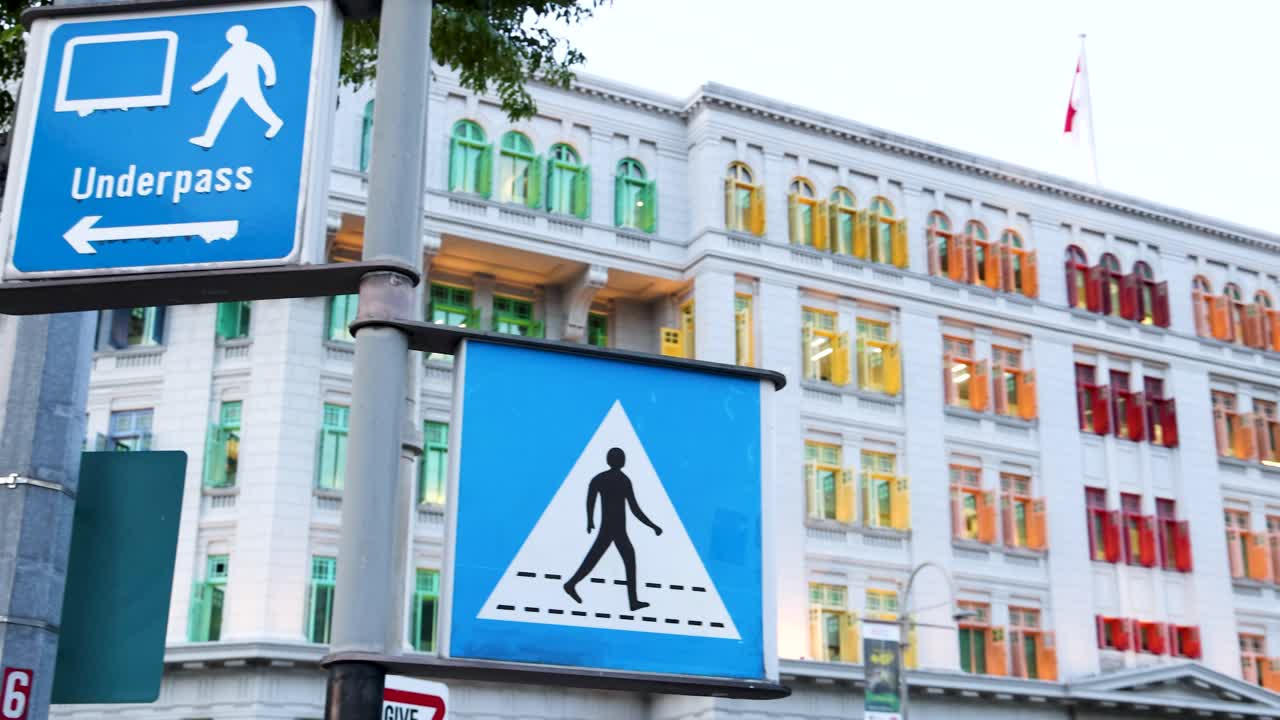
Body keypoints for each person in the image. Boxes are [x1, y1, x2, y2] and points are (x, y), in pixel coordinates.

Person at [563, 447, 662, 611]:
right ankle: (632, 601)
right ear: (620, 461)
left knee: (597, 559)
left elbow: (590, 501)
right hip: (615, 529)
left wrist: (590, 520)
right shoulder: (623, 480)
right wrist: (653, 526)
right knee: (622, 559)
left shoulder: (599, 478)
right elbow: (634, 509)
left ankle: (571, 584)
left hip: (611, 528)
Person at [189, 25, 284, 149]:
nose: (229, 37)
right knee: (221, 111)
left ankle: (276, 122)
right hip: (233, 88)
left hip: (249, 86)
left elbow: (266, 61)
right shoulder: (230, 53)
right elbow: (216, 73)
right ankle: (208, 139)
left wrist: (270, 78)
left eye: (231, 35)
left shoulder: (251, 49)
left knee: (259, 107)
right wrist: (199, 86)